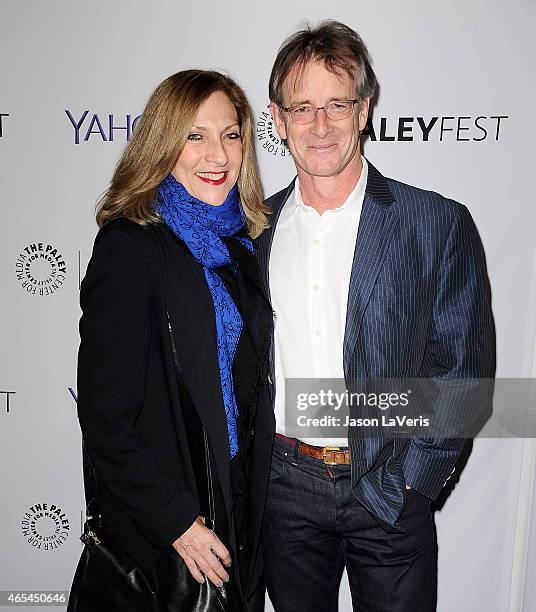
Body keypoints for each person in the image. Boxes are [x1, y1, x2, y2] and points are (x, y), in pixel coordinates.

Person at [256, 20, 495, 612]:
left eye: (337, 104)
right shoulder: (251, 232)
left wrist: (412, 484)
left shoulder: (434, 223)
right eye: (302, 107)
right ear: (277, 118)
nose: (319, 126)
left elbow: (465, 382)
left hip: (388, 490)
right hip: (283, 494)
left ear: (364, 109)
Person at [75, 69, 274, 610]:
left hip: (235, 501)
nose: (217, 154)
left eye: (230, 135)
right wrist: (177, 522)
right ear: (163, 144)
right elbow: (106, 421)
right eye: (195, 135)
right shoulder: (131, 248)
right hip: (172, 522)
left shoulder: (242, 246)